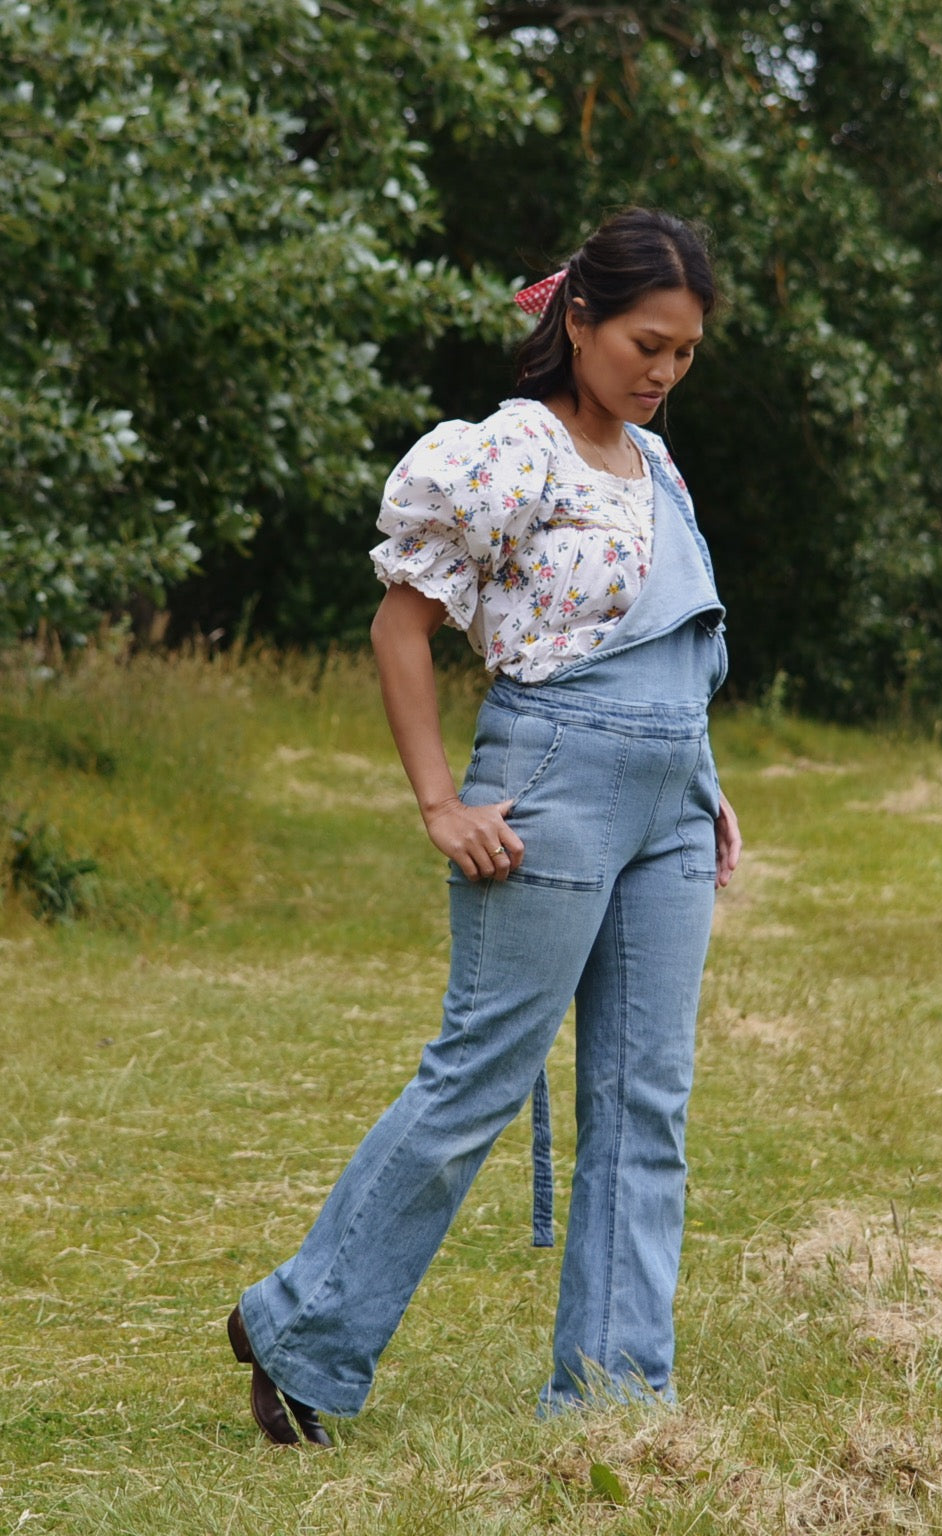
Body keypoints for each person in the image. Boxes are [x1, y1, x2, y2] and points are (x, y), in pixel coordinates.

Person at [227, 207, 742, 1446]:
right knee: (479, 1081)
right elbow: (401, 629)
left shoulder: (653, 461)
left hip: (670, 796)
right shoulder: (514, 452)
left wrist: (705, 781)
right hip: (553, 782)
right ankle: (302, 1326)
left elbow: (671, 638)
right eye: (644, 343)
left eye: (683, 353)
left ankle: (613, 1396)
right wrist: (438, 802)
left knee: (647, 1097)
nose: (663, 371)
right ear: (578, 319)